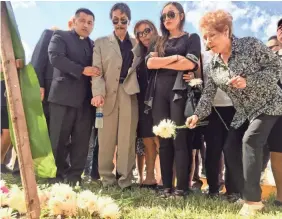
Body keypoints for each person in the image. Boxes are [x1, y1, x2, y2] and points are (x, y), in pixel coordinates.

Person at [186, 10, 282, 215]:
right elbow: (208, 94)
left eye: (212, 35)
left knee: (251, 140)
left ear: (226, 31)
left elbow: (276, 67)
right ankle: (241, 193)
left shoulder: (250, 45)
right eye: (205, 37)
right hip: (245, 113)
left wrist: (249, 81)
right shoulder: (213, 65)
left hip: (270, 104)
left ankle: (253, 201)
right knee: (230, 147)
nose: (208, 41)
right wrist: (197, 115)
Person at [146, 2, 201, 198]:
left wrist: (167, 61)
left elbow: (191, 62)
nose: (167, 19)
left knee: (180, 141)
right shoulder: (158, 41)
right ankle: (166, 187)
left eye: (171, 14)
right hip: (158, 94)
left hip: (180, 93)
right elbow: (150, 63)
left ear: (181, 15)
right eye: (163, 16)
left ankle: (182, 188)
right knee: (164, 140)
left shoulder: (191, 38)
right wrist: (176, 58)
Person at [48, 8, 99, 184]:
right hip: (63, 98)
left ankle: (75, 177)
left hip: (86, 101)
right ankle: (54, 175)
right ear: (75, 21)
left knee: (82, 141)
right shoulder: (60, 36)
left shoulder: (94, 46)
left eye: (90, 22)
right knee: (58, 139)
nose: (86, 25)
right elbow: (55, 58)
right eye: (83, 21)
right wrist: (81, 70)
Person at [91, 3, 138, 190]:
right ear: (112, 20)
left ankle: (125, 180)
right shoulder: (101, 42)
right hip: (107, 95)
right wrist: (98, 93)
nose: (120, 24)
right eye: (116, 20)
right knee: (106, 138)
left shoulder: (136, 44)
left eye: (123, 20)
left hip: (129, 93)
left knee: (127, 138)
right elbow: (97, 72)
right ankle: (107, 179)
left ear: (129, 20)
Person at [31, 17, 74, 130]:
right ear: (70, 24)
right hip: (45, 91)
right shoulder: (50, 34)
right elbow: (37, 61)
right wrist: (39, 84)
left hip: (63, 97)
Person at [133, 19, 161, 188]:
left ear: (155, 30)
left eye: (147, 30)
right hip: (143, 101)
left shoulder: (164, 47)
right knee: (147, 140)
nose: (144, 35)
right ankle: (149, 178)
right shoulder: (137, 54)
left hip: (161, 99)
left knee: (161, 140)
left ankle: (165, 178)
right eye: (139, 33)